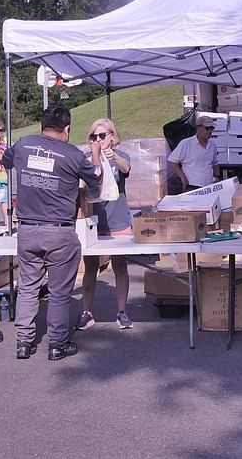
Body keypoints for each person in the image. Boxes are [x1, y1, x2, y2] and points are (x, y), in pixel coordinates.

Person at [1, 104, 102, 361]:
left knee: (27, 287)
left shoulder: (24, 145)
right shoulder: (73, 154)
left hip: (26, 230)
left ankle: (23, 342)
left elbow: (5, 160)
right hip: (59, 232)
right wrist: (97, 153)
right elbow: (97, 179)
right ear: (67, 129)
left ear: (40, 126)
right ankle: (57, 344)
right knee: (59, 292)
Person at [77, 118, 134, 331]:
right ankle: (87, 312)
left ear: (112, 136)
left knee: (120, 266)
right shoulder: (86, 158)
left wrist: (115, 157)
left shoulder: (121, 156)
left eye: (102, 135)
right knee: (91, 267)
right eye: (94, 136)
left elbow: (127, 168)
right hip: (93, 220)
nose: (98, 140)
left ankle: (122, 312)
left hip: (118, 219)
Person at [168, 115, 220, 191]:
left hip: (209, 187)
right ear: (198, 128)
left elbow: (215, 163)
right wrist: (183, 177)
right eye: (207, 128)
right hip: (192, 187)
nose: (210, 131)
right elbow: (172, 161)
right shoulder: (186, 143)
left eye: (212, 128)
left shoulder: (212, 145)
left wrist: (217, 177)